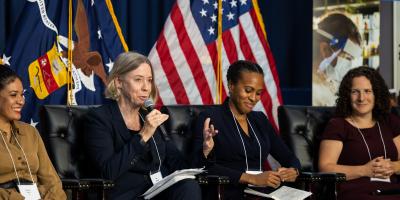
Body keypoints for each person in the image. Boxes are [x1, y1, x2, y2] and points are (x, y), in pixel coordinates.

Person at [84, 52, 217, 200]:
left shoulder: (149, 117)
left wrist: (204, 151)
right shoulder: (98, 119)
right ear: (118, 81)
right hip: (121, 195)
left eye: (149, 80)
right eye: (138, 80)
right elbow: (107, 172)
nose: (146, 87)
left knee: (188, 185)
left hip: (153, 192)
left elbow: (177, 164)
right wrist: (143, 135)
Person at [193, 60, 301, 199]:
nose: (253, 98)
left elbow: (289, 157)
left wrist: (293, 170)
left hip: (262, 193)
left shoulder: (260, 119)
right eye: (248, 91)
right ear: (231, 85)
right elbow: (200, 166)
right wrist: (251, 179)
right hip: (226, 193)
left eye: (258, 93)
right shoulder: (209, 118)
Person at [318, 66, 400, 199]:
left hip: (392, 189)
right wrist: (364, 170)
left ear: (376, 94)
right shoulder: (337, 125)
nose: (361, 98)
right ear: (347, 96)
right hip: (354, 191)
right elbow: (325, 167)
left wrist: (393, 166)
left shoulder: (390, 121)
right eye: (355, 92)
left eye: (368, 91)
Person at [0, 64, 66, 200]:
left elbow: (52, 181)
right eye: (13, 95)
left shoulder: (31, 132)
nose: (21, 101)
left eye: (22, 95)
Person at [312, 12, 362, 106]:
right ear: (324, 49)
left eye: (352, 58)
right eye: (347, 57)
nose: (349, 63)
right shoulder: (313, 93)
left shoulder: (336, 84)